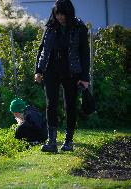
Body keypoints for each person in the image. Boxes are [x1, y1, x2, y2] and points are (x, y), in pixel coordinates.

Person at [34, 0, 90, 152]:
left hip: (71, 72)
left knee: (69, 105)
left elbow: (85, 54)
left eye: (62, 14)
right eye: (57, 13)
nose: (59, 17)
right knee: (50, 104)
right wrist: (38, 70)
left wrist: (85, 78)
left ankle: (68, 141)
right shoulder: (50, 27)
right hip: (50, 70)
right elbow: (42, 49)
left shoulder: (79, 27)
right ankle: (51, 142)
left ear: (69, 13)